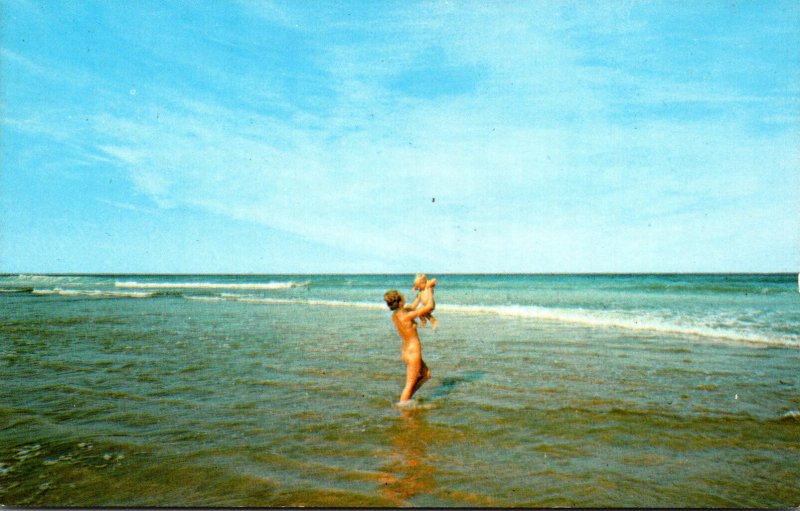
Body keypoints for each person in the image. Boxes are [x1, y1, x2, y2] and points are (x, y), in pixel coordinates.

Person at [384, 289, 433, 405]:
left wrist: (421, 294)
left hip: (406, 351)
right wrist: (430, 291)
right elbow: (429, 306)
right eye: (403, 297)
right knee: (409, 384)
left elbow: (414, 305)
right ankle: (403, 408)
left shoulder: (396, 315)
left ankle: (406, 399)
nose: (405, 298)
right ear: (401, 302)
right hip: (413, 353)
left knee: (426, 375)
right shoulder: (407, 316)